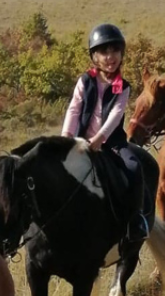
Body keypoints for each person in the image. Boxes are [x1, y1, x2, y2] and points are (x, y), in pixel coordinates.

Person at [61, 23, 148, 242]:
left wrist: (99, 139)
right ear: (94, 56)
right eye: (104, 52)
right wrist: (66, 138)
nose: (110, 57)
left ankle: (135, 220)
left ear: (121, 53)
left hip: (112, 143)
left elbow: (116, 116)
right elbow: (74, 108)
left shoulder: (122, 86)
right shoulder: (86, 80)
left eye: (115, 51)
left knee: (134, 167)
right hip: (81, 140)